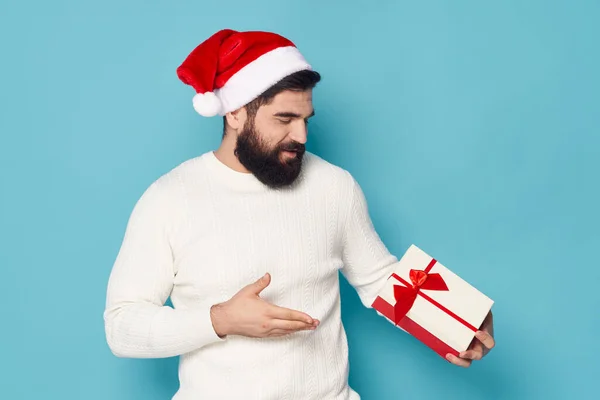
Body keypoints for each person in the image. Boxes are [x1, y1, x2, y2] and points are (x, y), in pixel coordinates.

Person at [103, 28, 495, 399]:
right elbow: (122, 327)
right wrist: (220, 319)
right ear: (235, 113)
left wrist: (459, 320)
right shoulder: (169, 198)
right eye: (284, 119)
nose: (301, 137)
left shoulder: (334, 186)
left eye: (305, 120)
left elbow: (378, 278)